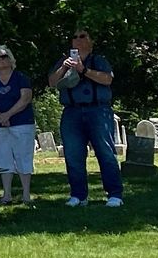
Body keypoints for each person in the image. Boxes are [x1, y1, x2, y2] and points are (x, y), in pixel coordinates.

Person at [48, 29, 123, 207]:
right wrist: (65, 67)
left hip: (97, 110)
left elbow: (107, 79)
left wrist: (84, 70)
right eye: (75, 37)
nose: (78, 40)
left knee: (105, 152)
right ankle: (78, 196)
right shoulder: (64, 61)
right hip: (72, 112)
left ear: (91, 41)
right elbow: (52, 82)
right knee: (73, 154)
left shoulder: (99, 60)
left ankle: (114, 195)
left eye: (83, 36)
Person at [0, 45, 36, 205]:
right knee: (3, 158)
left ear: (11, 59)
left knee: (23, 157)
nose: (0, 60)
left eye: (3, 56)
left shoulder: (20, 77)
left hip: (22, 123)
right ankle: (7, 194)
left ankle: (26, 194)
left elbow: (25, 98)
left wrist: (8, 114)